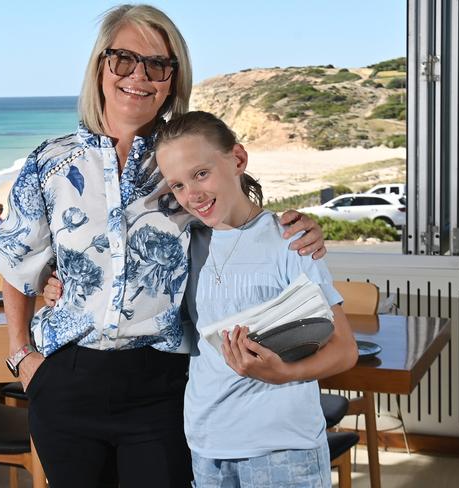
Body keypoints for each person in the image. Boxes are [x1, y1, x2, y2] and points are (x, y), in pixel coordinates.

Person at [0, 5, 325, 487]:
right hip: (65, 380)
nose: (139, 77)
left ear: (172, 79)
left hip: (163, 385)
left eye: (158, 66)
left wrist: (303, 229)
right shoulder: (51, 161)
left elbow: (241, 217)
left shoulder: (183, 158)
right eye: (124, 59)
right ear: (100, 66)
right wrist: (23, 359)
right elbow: (16, 261)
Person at [154, 111, 359, 487]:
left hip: (282, 449)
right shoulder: (185, 242)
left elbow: (345, 350)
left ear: (237, 159)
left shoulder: (290, 240)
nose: (192, 195)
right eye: (178, 185)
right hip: (206, 445)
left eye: (201, 174)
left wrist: (286, 374)